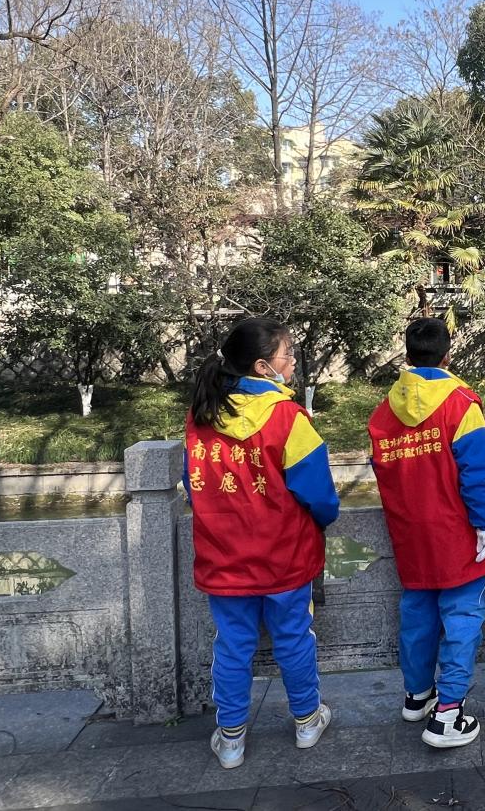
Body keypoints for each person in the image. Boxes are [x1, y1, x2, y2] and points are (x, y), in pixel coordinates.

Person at [184, 317, 340, 770]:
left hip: (223, 557)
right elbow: (320, 497)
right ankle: (307, 720)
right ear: (261, 366)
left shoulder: (202, 414)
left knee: (232, 646)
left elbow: (192, 485)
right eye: (287, 355)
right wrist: (322, 520)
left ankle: (231, 738)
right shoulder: (288, 418)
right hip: (284, 557)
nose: (292, 363)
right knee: (294, 638)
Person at [367, 318, 485, 748]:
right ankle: (448, 715)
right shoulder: (460, 404)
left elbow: (383, 471)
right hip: (457, 531)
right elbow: (477, 471)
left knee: (417, 615)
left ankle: (417, 695)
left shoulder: (384, 411)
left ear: (408, 355)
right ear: (448, 355)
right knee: (462, 618)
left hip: (410, 533)